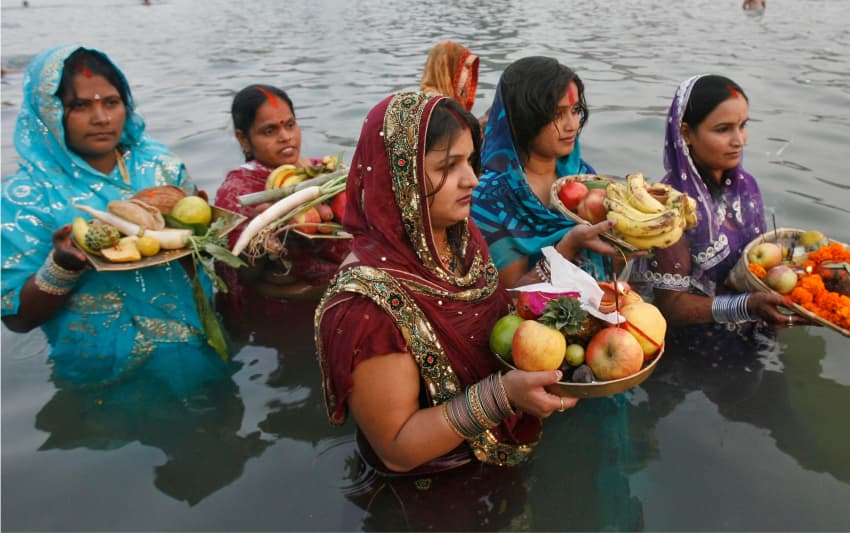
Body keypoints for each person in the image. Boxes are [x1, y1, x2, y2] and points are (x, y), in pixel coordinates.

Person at [316, 91, 575, 478]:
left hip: (494, 462)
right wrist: (502, 395)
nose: (472, 179)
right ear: (399, 178)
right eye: (447, 166)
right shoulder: (366, 305)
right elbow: (397, 449)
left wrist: (567, 251)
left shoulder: (457, 236)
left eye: (470, 161)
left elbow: (500, 314)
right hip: (428, 491)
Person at [1, 45, 230, 392]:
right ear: (49, 112)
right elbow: (17, 318)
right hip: (102, 375)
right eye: (80, 105)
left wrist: (204, 233)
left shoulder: (160, 167)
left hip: (195, 350)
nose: (102, 118)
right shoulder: (27, 196)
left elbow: (201, 260)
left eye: (110, 102)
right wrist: (63, 265)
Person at [633, 75, 805, 361]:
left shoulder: (745, 186)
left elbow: (756, 265)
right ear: (686, 133)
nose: (739, 140)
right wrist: (746, 306)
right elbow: (669, 308)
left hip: (753, 331)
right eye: (723, 129)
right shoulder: (669, 209)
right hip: (693, 353)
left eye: (743, 126)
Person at [471, 56, 618, 288]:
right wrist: (568, 245)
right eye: (558, 114)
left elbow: (609, 267)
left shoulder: (582, 176)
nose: (572, 125)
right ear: (524, 118)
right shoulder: (489, 197)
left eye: (576, 110)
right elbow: (513, 296)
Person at [213, 84, 350, 335]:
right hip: (274, 318)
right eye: (269, 130)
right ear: (244, 139)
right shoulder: (238, 193)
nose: (286, 137)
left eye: (290, 124)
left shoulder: (322, 173)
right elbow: (241, 273)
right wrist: (266, 231)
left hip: (332, 300)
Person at [419, 40, 479, 113]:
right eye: (465, 68)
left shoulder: (422, 98)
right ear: (447, 68)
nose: (468, 76)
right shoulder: (441, 105)